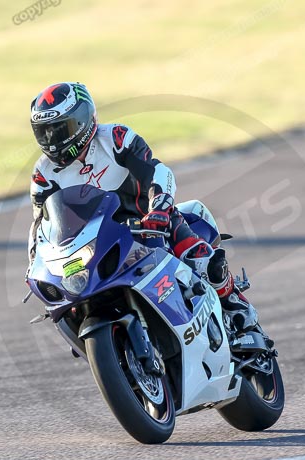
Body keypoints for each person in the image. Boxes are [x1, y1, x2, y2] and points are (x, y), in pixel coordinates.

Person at [27, 82, 260, 337]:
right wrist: (36, 262)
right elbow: (41, 225)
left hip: (147, 225)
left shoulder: (115, 138)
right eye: (45, 132)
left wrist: (159, 207)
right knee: (68, 305)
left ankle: (237, 308)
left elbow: (156, 171)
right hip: (96, 245)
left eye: (60, 129)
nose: (53, 140)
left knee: (202, 260)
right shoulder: (44, 174)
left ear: (83, 120)